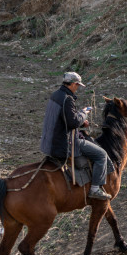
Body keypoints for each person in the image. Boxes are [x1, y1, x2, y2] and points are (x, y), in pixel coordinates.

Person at [40, 72, 112, 200]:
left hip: (50, 139)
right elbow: (73, 122)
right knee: (101, 155)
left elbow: (65, 119)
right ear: (73, 84)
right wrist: (84, 113)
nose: (77, 88)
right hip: (65, 142)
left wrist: (79, 116)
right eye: (77, 85)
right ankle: (95, 189)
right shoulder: (67, 99)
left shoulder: (55, 95)